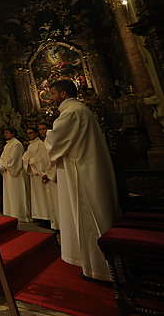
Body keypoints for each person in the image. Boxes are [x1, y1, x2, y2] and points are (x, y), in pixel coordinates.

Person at [45, 79, 120, 282]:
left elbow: (54, 142)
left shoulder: (71, 112)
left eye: (52, 94)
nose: (50, 98)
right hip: (86, 169)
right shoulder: (81, 110)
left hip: (82, 174)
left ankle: (102, 271)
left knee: (88, 217)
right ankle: (98, 267)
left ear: (62, 94)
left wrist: (47, 137)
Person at [0, 127, 31, 222]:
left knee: (17, 194)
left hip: (15, 174)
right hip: (7, 173)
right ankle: (11, 213)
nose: (5, 134)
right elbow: (2, 157)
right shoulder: (7, 145)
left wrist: (5, 166)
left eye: (7, 133)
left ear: (13, 134)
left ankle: (20, 215)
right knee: (10, 194)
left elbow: (14, 159)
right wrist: (1, 165)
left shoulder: (16, 144)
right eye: (5, 133)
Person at [22, 127, 52, 227]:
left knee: (42, 196)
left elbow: (41, 159)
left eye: (31, 133)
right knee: (36, 196)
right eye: (28, 133)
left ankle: (46, 217)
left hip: (39, 173)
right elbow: (24, 158)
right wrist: (29, 161)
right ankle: (39, 216)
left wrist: (32, 162)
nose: (29, 135)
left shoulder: (40, 144)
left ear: (36, 133)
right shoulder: (30, 145)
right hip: (33, 174)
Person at [38, 122, 59, 230]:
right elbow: (41, 161)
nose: (42, 131)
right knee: (51, 202)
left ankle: (60, 223)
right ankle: (54, 223)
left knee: (57, 201)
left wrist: (50, 174)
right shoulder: (43, 143)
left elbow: (55, 159)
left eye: (44, 129)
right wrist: (43, 173)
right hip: (47, 176)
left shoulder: (53, 141)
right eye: (40, 129)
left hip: (54, 177)